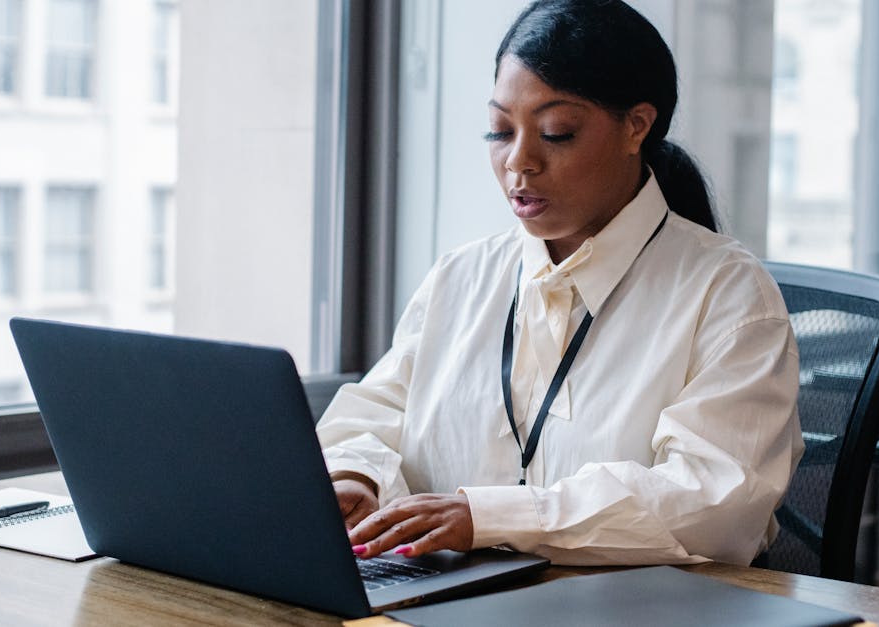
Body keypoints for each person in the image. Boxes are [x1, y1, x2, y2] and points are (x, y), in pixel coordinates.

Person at [317, 0, 802, 567]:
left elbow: (716, 502)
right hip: (449, 598)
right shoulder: (462, 276)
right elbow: (373, 413)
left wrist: (494, 517)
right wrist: (355, 477)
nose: (518, 162)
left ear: (636, 126)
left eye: (556, 132)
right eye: (498, 130)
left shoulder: (727, 294)